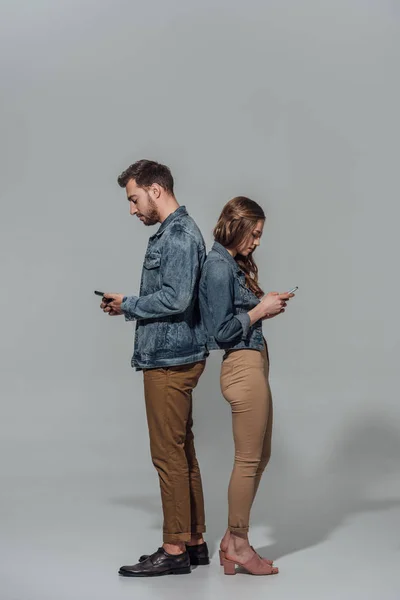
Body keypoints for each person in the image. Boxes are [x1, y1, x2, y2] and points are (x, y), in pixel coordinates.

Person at [100, 160, 209, 577]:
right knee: (182, 452)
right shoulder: (177, 232)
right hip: (176, 355)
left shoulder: (179, 235)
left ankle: (174, 549)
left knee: (168, 455)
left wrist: (127, 303)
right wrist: (128, 305)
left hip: (169, 359)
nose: (132, 209)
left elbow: (177, 299)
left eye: (134, 198)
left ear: (155, 190)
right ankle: (194, 542)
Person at [199, 196, 294, 576]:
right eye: (254, 233)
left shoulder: (231, 266)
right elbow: (219, 332)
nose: (256, 242)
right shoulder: (218, 267)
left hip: (254, 362)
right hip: (241, 366)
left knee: (261, 455)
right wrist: (261, 310)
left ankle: (230, 541)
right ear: (236, 225)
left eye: (259, 235)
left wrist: (265, 304)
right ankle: (238, 543)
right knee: (249, 459)